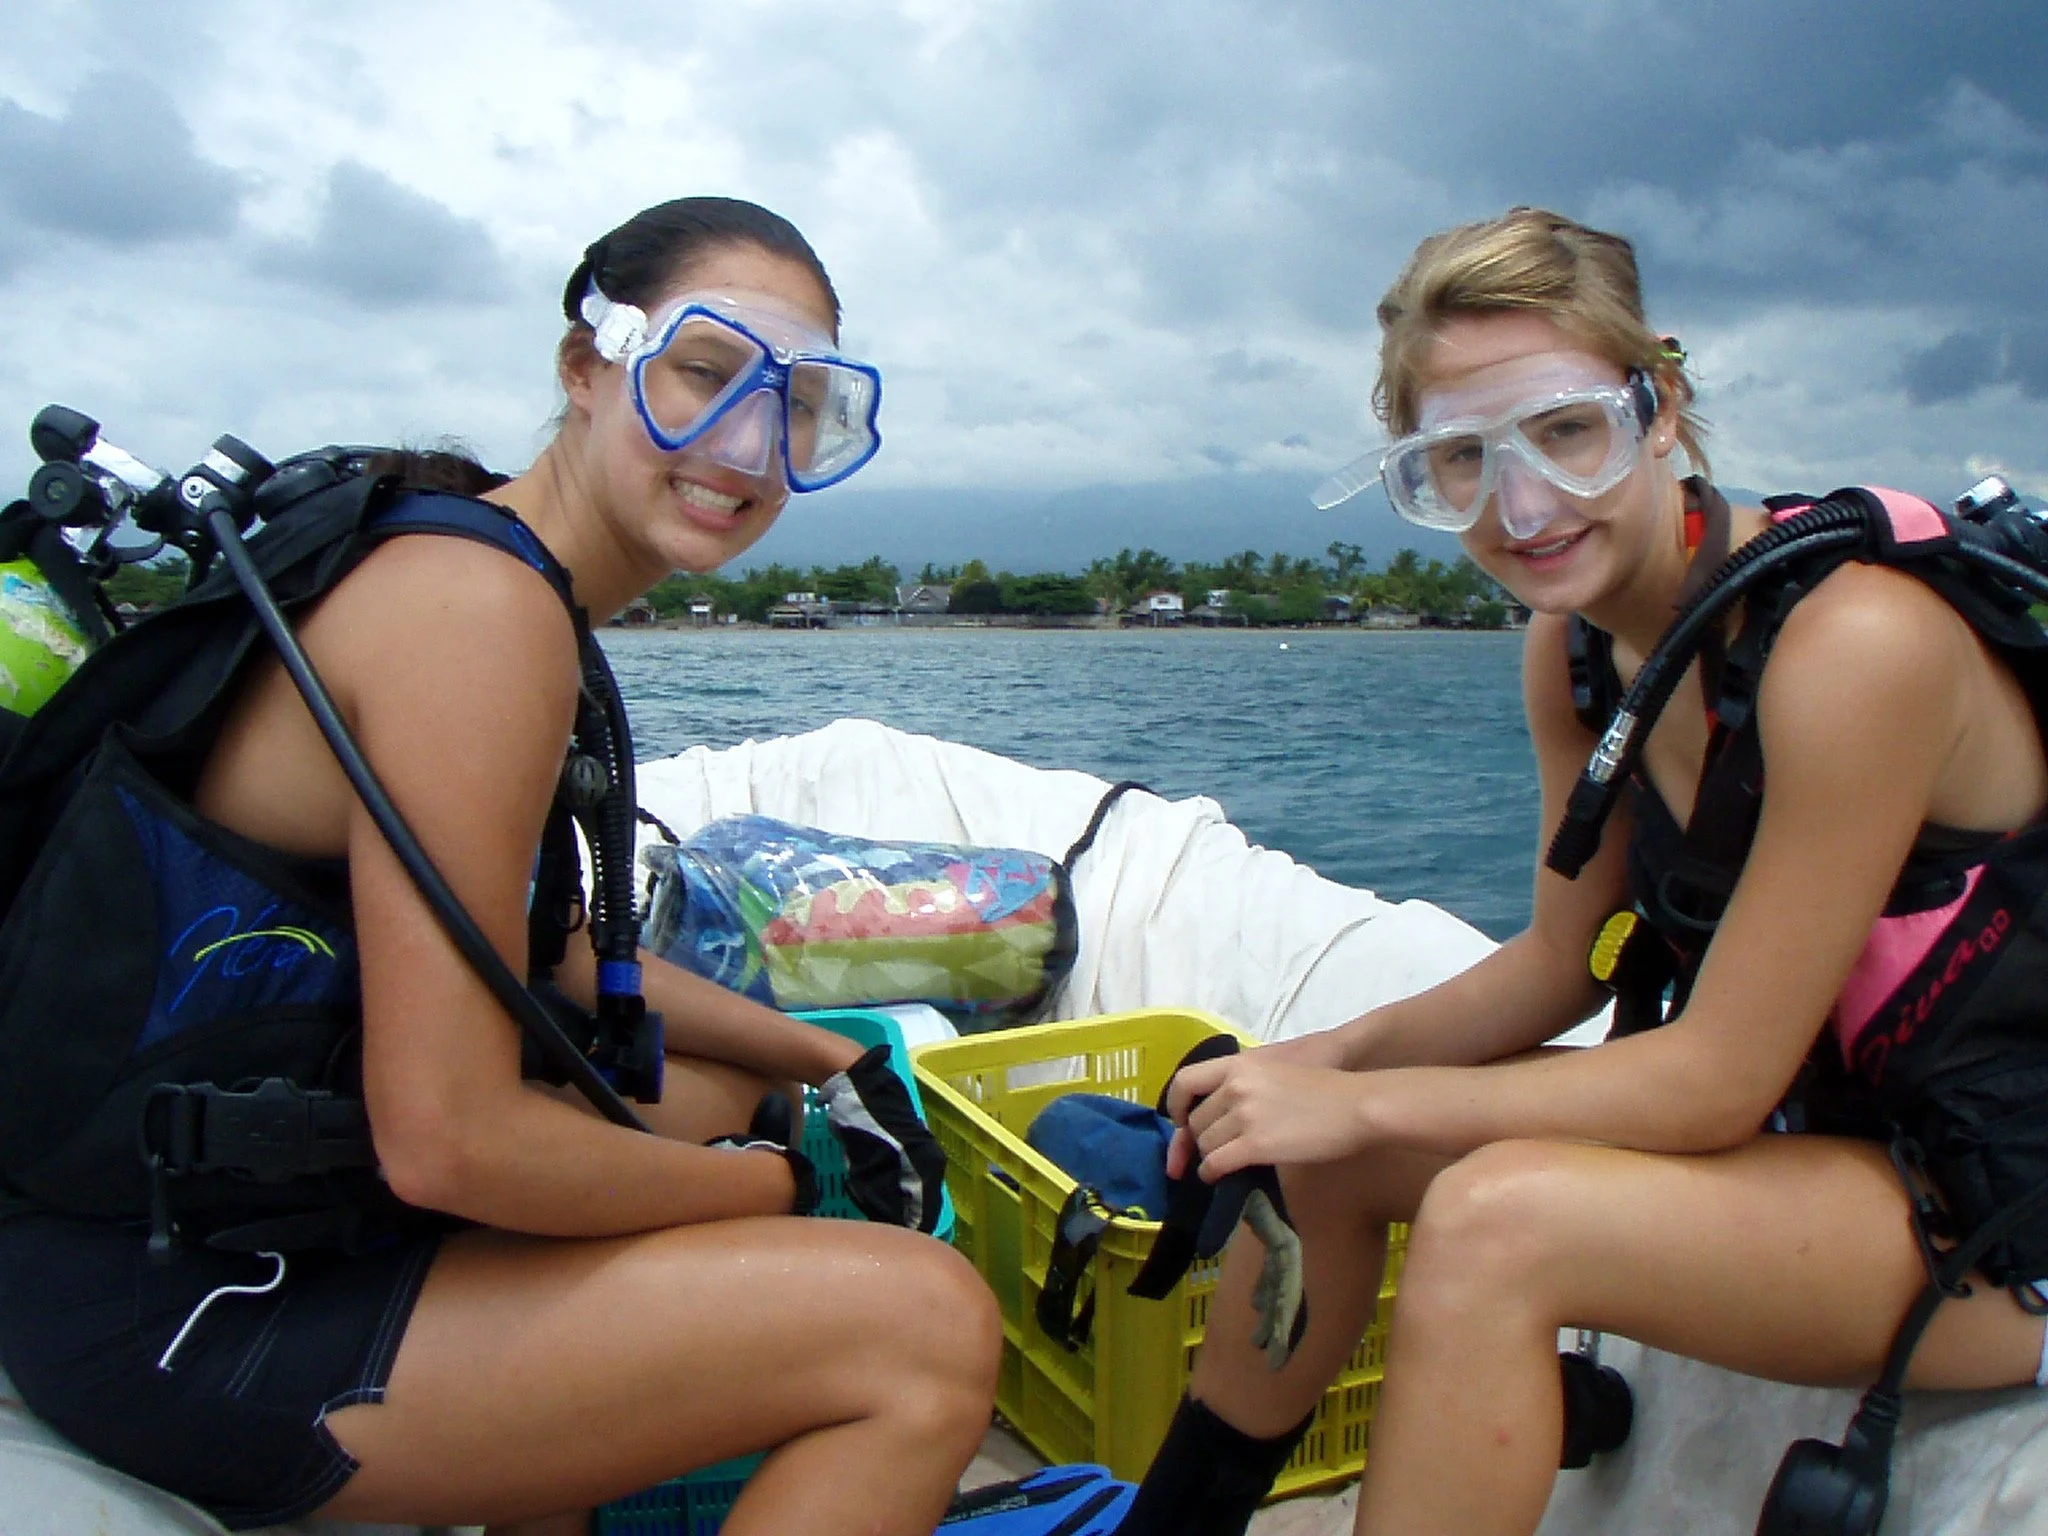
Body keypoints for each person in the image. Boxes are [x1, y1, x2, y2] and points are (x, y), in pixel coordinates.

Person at [0, 196, 1002, 1535]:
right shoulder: (479, 615)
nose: (752, 446)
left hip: (221, 1223)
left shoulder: (476, 551)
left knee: (717, 1086)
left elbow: (557, 951)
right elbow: (450, 1142)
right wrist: (790, 1179)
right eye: (708, 373)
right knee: (923, 1331)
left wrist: (818, 1063)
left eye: (803, 404)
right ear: (587, 367)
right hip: (176, 1309)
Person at [1109, 206, 2048, 1536]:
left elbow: (1721, 1075)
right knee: (1314, 1162)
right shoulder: (1581, 652)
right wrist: (1312, 1076)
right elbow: (1556, 965)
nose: (1526, 507)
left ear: (1658, 406)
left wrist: (1371, 1107)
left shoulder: (1854, 649)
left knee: (1499, 1219)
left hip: (2007, 1215)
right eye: (1458, 464)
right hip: (1839, 1154)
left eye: (1568, 431)